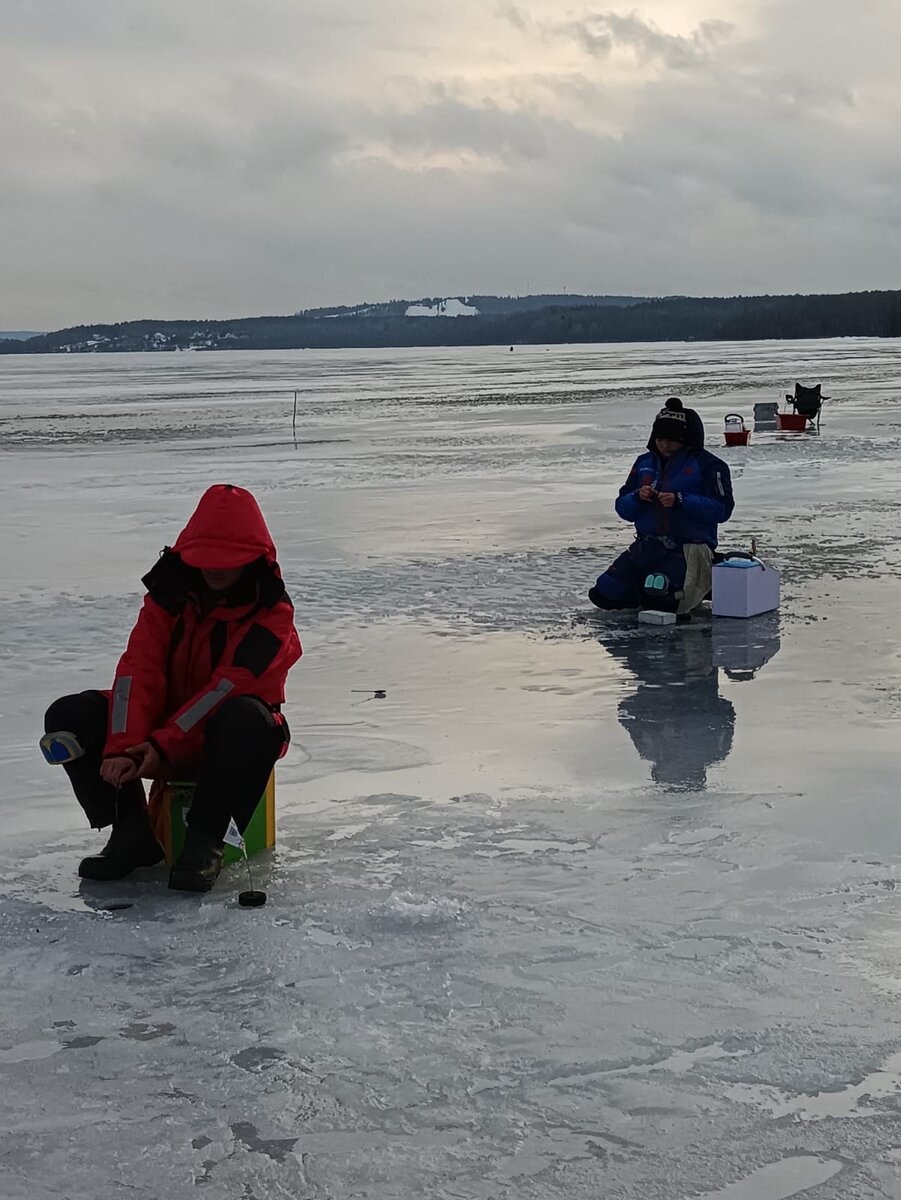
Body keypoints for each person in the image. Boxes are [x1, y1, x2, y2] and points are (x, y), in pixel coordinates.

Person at [42, 484, 302, 893]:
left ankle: (204, 844)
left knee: (247, 718)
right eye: (205, 559)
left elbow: (226, 690)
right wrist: (124, 746)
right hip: (162, 736)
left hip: (229, 745)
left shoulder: (273, 615)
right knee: (69, 716)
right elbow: (137, 672)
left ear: (253, 560)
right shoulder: (167, 599)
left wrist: (159, 748)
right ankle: (131, 836)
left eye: (227, 560)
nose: (214, 569)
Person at [588, 398, 734, 614]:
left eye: (672, 440)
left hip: (688, 548)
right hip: (648, 546)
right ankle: (651, 588)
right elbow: (623, 508)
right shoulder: (644, 463)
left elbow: (722, 509)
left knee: (663, 603)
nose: (665, 445)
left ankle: (706, 578)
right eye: (660, 439)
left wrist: (681, 501)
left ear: (686, 439)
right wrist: (637, 497)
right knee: (604, 594)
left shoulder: (710, 466)